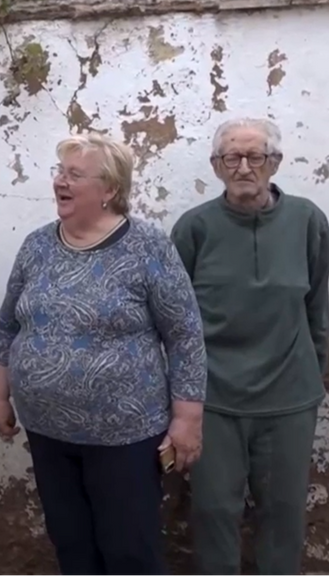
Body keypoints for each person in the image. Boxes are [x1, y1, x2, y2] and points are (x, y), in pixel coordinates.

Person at [0, 133, 207, 576]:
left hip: (124, 436)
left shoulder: (147, 246)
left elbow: (184, 334)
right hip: (48, 430)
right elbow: (9, 321)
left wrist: (187, 418)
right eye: (59, 172)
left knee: (129, 551)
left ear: (109, 189)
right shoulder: (37, 245)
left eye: (74, 175)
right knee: (72, 545)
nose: (60, 182)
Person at [171, 117, 329, 576]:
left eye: (255, 157)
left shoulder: (307, 221)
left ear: (273, 163)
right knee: (214, 512)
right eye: (231, 158)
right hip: (213, 399)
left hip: (288, 399)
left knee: (283, 513)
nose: (243, 167)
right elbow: (174, 316)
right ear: (216, 167)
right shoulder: (194, 228)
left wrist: (315, 370)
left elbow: (320, 301)